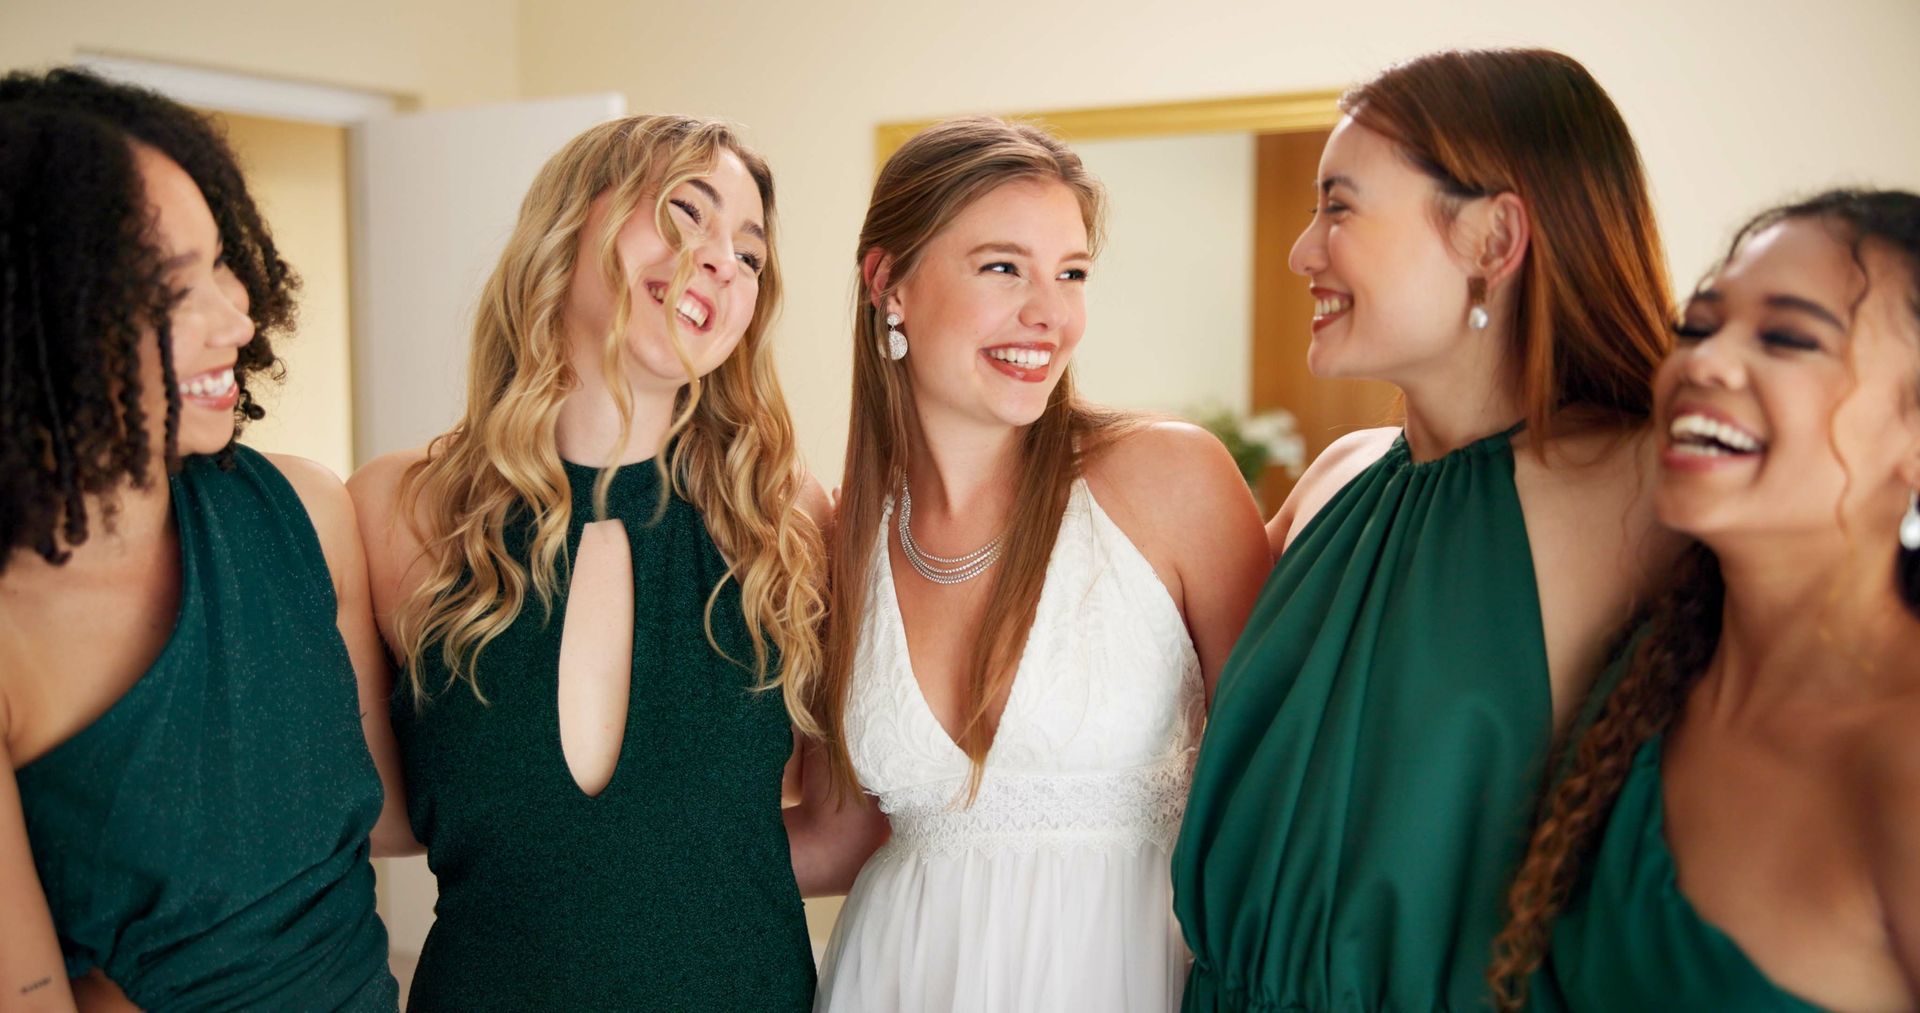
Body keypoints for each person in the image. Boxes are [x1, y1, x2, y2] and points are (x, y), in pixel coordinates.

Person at [1171, 48, 1686, 1010]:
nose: (1301, 252)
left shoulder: (1644, 490)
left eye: (1339, 206)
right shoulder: (1336, 482)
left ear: (1495, 237)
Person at [789, 116, 1270, 1012]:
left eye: (1072, 273)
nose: (1050, 313)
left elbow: (1282, 784)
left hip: (1128, 975)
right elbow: (838, 833)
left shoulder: (1170, 478)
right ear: (886, 282)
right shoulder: (842, 535)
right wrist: (576, 860)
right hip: (896, 977)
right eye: (1003, 267)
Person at [349, 114, 826, 1010]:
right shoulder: (396, 511)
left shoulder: (786, 518)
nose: (724, 258)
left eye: (752, 253)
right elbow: (367, 817)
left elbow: (838, 824)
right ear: (567, 231)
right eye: (687, 212)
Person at [0, 68, 402, 1010]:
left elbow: (395, 815)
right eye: (174, 289)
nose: (238, 316)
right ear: (43, 322)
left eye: (225, 262)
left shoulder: (304, 511)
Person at [1490, 189, 1920, 1012]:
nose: (1704, 363)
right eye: (1698, 326)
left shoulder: (1904, 758)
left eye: (1790, 338)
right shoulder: (1643, 683)